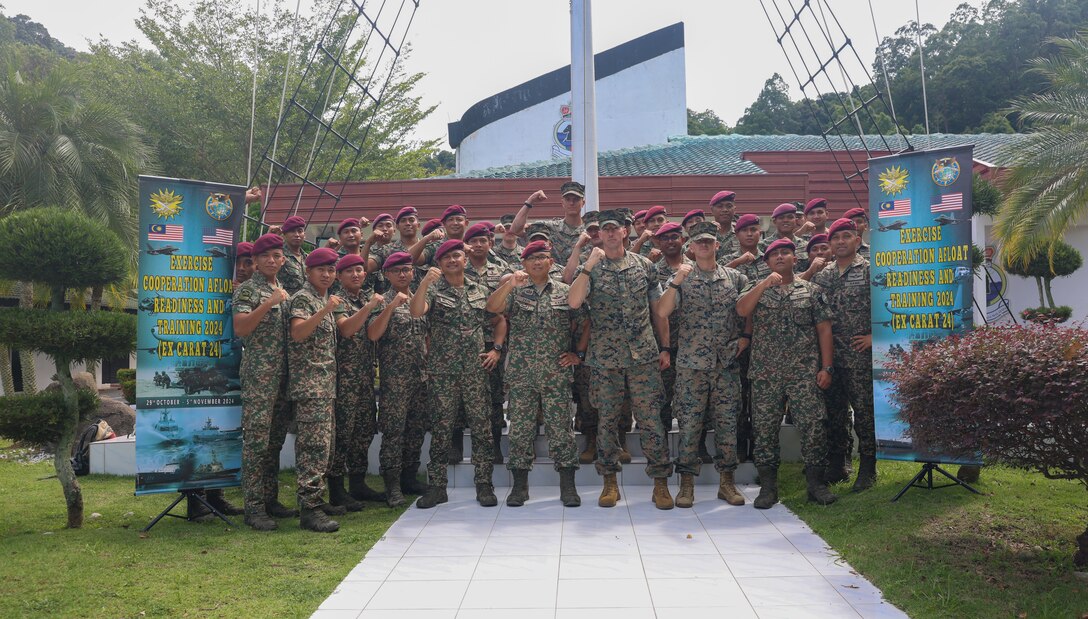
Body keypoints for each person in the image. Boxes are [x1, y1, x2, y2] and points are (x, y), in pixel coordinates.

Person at [568, 209, 674, 509]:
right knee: (607, 422)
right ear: (599, 234)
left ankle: (660, 484)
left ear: (626, 232)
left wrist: (665, 347)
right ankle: (610, 482)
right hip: (605, 359)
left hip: (643, 356)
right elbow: (574, 302)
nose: (611, 233)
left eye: (616, 228)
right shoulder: (591, 269)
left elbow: (658, 311)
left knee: (651, 419)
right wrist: (588, 266)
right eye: (606, 229)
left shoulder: (644, 267)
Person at [737, 238, 838, 509]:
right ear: (767, 262)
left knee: (814, 426)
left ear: (795, 259)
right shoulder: (756, 288)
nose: (780, 257)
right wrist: (763, 284)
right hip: (765, 374)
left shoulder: (811, 290)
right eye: (775, 255)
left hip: (804, 372)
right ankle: (768, 488)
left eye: (786, 253)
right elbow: (742, 309)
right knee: (764, 429)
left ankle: (816, 484)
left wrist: (826, 367)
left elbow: (824, 329)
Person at [656, 221, 750, 507]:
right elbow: (662, 311)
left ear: (717, 245)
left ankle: (727, 483)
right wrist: (676, 281)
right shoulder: (681, 278)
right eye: (700, 242)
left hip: (725, 366)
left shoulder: (735, 278)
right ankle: (686, 485)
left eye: (710, 241)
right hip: (691, 366)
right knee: (689, 426)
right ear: (691, 247)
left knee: (727, 425)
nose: (705, 246)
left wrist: (746, 336)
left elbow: (748, 310)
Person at [486, 240, 585, 507]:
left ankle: (568, 486)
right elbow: (492, 308)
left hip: (556, 374)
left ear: (551, 263)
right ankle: (520, 487)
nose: (537, 262)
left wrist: (579, 354)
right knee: (520, 431)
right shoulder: (516, 292)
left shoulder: (566, 291)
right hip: (522, 375)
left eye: (542, 258)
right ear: (524, 264)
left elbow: (585, 322)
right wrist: (508, 285)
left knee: (561, 430)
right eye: (532, 259)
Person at [410, 239, 505, 508]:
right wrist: (425, 283)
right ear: (439, 263)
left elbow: (498, 319)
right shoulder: (432, 289)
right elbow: (417, 312)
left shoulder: (479, 288)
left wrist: (496, 349)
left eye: (457, 256)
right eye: (446, 257)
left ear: (465, 259)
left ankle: (484, 485)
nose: (452, 260)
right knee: (441, 428)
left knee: (482, 428)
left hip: (475, 371)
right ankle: (437, 487)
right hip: (443, 372)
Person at [233, 233, 295, 531]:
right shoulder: (248, 291)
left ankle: (271, 499)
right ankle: (253, 507)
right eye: (266, 256)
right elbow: (242, 327)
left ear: (283, 260)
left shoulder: (282, 289)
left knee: (274, 442)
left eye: (277, 255)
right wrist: (268, 302)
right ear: (255, 262)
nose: (272, 260)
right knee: (256, 443)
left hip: (283, 377)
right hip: (260, 376)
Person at [812, 218, 876, 491]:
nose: (840, 241)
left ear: (857, 240)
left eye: (846, 236)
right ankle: (838, 463)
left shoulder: (871, 270)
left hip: (859, 356)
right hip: (829, 357)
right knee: (833, 413)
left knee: (863, 412)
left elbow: (888, 305)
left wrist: (876, 337)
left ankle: (868, 468)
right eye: (835, 238)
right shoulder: (822, 276)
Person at [287, 247, 344, 532]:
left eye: (331, 270)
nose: (327, 274)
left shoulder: (322, 298)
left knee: (325, 449)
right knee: (313, 449)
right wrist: (325, 310)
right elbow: (298, 333)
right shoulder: (304, 298)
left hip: (325, 387)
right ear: (308, 272)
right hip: (310, 388)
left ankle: (317, 502)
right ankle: (309, 510)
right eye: (321, 269)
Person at [367, 252, 431, 505]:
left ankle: (409, 478)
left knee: (415, 430)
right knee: (394, 433)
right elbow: (373, 334)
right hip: (395, 379)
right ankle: (392, 485)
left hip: (420, 376)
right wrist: (391, 307)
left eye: (407, 269)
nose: (403, 274)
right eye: (397, 271)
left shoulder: (421, 299)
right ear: (387, 275)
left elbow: (427, 335)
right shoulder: (383, 301)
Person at [328, 253, 385, 511]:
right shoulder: (338, 300)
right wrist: (369, 307)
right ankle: (336, 489)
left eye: (360, 270)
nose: (356, 274)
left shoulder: (364, 297)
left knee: (364, 429)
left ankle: (358, 482)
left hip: (363, 376)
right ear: (339, 276)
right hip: (343, 379)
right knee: (342, 433)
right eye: (349, 271)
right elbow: (347, 329)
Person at [463, 223, 512, 464]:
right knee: (461, 396)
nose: (479, 245)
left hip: (493, 343)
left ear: (491, 244)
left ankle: (493, 446)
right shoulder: (456, 269)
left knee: (493, 397)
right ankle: (456, 443)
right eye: (474, 241)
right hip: (460, 345)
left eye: (483, 240)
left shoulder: (502, 270)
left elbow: (505, 312)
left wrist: (497, 348)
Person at [720, 213, 767, 462]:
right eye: (744, 230)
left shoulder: (771, 257)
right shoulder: (728, 260)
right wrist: (738, 262)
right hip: (735, 338)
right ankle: (738, 443)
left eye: (754, 229)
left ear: (761, 232)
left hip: (769, 338)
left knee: (760, 398)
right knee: (736, 395)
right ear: (736, 234)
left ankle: (760, 447)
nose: (749, 234)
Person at [651, 222, 692, 441]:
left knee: (691, 399)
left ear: (683, 240)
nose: (670, 241)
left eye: (674, 236)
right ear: (658, 242)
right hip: (662, 346)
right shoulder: (653, 272)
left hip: (693, 346)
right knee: (662, 396)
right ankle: (662, 443)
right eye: (665, 238)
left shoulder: (699, 268)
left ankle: (695, 443)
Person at [511, 181, 586, 265]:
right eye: (568, 199)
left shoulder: (590, 231)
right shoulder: (550, 227)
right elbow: (515, 230)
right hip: (555, 277)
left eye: (576, 199)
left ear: (583, 203)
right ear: (562, 203)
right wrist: (530, 201)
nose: (571, 203)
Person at [760, 203, 810, 272]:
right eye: (781, 217)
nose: (786, 220)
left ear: (795, 220)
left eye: (790, 217)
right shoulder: (762, 246)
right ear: (774, 221)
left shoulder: (806, 246)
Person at [277, 215, 308, 295]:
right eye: (292, 231)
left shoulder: (307, 258)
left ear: (304, 235)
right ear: (284, 235)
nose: (297, 235)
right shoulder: (278, 255)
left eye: (300, 231)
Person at [709, 190, 741, 259]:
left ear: (734, 209)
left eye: (729, 206)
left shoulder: (741, 233)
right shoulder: (705, 232)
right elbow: (687, 253)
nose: (725, 210)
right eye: (720, 206)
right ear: (712, 210)